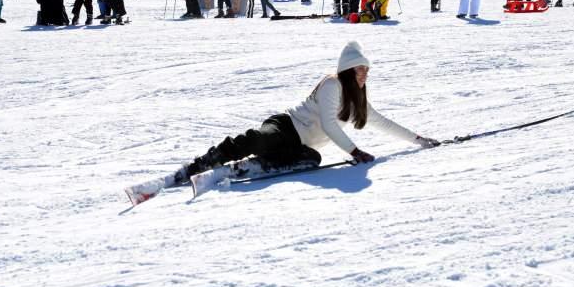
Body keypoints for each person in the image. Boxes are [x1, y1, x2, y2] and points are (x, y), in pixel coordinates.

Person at [165, 41, 441, 188]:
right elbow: (331, 127)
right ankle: (200, 164)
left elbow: (382, 123)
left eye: (366, 70)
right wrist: (355, 152)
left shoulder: (357, 100)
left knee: (312, 159)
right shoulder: (332, 84)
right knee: (259, 139)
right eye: (360, 69)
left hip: (300, 145)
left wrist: (419, 139)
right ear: (347, 71)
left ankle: (248, 168)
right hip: (286, 127)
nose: (365, 74)